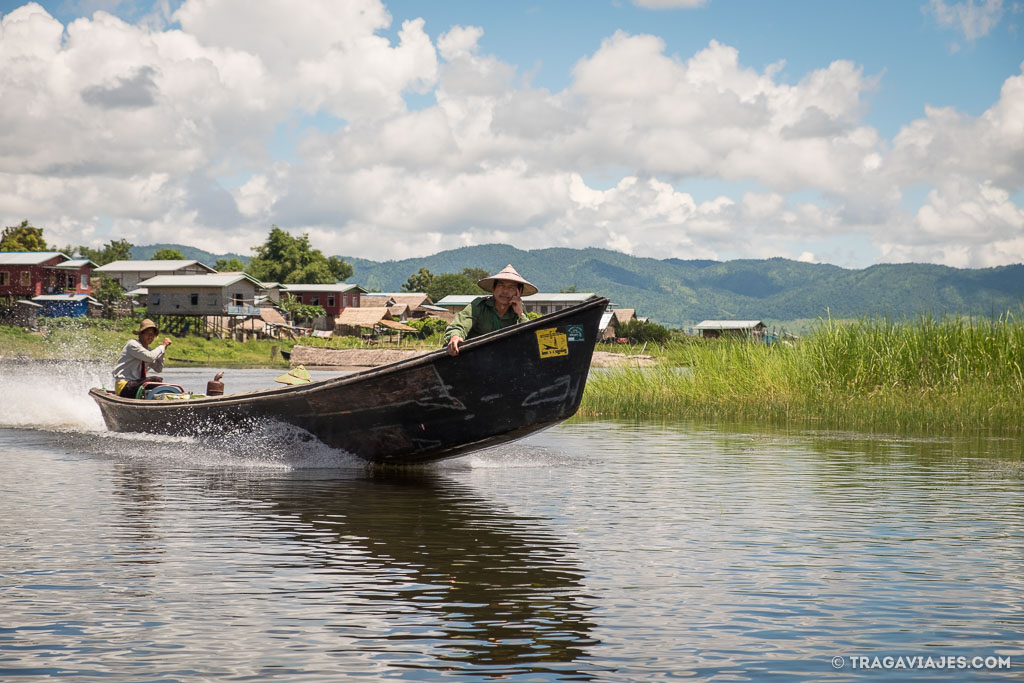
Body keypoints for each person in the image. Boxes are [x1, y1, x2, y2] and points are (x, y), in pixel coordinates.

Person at [443, 264, 538, 356]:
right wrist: (455, 336)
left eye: (511, 287)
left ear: (519, 292)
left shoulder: (518, 310)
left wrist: (520, 314)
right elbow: (460, 325)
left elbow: (529, 338)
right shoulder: (479, 306)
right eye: (501, 286)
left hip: (501, 360)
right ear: (493, 288)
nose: (505, 291)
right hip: (472, 356)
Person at [113, 319, 172, 398]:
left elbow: (158, 368)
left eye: (152, 334)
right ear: (140, 334)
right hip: (124, 386)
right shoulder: (132, 344)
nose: (150, 336)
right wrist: (162, 346)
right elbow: (150, 357)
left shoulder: (148, 351)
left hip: (137, 386)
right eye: (148, 333)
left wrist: (163, 351)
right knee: (153, 380)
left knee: (158, 380)